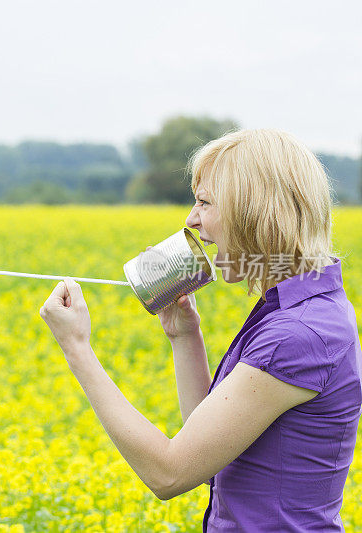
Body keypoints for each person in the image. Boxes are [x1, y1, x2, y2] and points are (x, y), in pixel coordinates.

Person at [40, 129, 361, 531]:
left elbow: (169, 474)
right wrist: (184, 336)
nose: (190, 219)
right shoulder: (302, 308)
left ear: (255, 211)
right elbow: (211, 452)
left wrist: (77, 348)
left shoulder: (299, 333)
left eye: (205, 202)